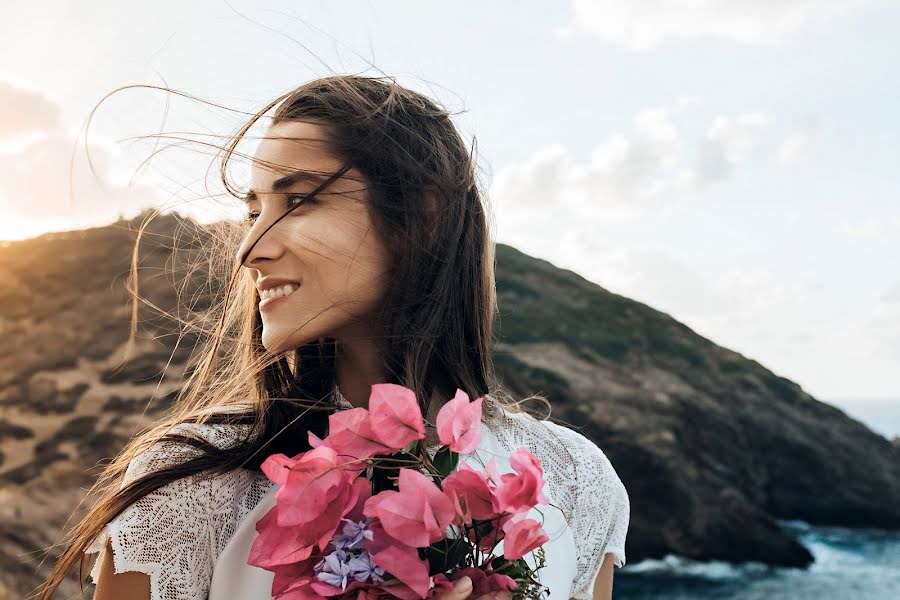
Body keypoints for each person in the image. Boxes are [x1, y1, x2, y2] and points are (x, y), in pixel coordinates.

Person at [38, 75, 629, 600]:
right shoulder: (189, 493)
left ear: (420, 217)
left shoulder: (574, 480)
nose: (250, 249)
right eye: (253, 211)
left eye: (297, 200)